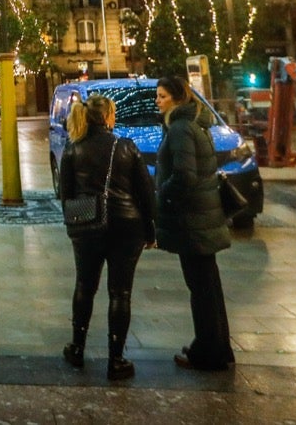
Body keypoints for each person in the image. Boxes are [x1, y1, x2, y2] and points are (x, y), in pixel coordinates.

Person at [58, 94, 156, 380]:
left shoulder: (73, 149)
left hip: (88, 225)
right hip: (128, 226)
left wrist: (74, 226)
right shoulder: (126, 147)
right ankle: (116, 359)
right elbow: (145, 192)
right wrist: (151, 230)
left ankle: (77, 347)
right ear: (108, 117)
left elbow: (66, 194)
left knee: (85, 286)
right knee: (120, 292)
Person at [155, 75, 235, 372]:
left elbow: (185, 176)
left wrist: (162, 194)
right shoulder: (197, 124)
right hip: (203, 215)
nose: (157, 101)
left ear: (176, 99)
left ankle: (207, 352)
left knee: (201, 288)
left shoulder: (180, 128)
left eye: (162, 96)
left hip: (192, 219)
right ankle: (218, 346)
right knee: (209, 285)